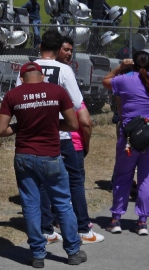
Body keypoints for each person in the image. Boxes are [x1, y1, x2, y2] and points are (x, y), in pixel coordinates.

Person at [0, 62, 86, 266]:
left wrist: (22, 126)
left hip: (24, 156)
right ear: (42, 75)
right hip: (51, 155)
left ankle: (37, 253)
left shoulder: (13, 95)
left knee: (30, 204)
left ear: (21, 78)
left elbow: (0, 130)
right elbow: (73, 124)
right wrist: (54, 125)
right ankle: (73, 251)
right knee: (63, 203)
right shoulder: (57, 91)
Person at [26, 30, 101, 245]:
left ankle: (46, 229)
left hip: (34, 132)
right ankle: (82, 227)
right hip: (60, 132)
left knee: (40, 182)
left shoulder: (29, 68)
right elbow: (77, 103)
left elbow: (16, 96)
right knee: (74, 180)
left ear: (40, 46)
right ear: (59, 48)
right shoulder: (64, 70)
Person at [102, 50, 149, 235]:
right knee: (148, 176)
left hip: (130, 135)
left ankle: (116, 218)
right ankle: (142, 221)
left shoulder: (124, 80)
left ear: (132, 64)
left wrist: (120, 67)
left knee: (123, 175)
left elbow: (105, 81)